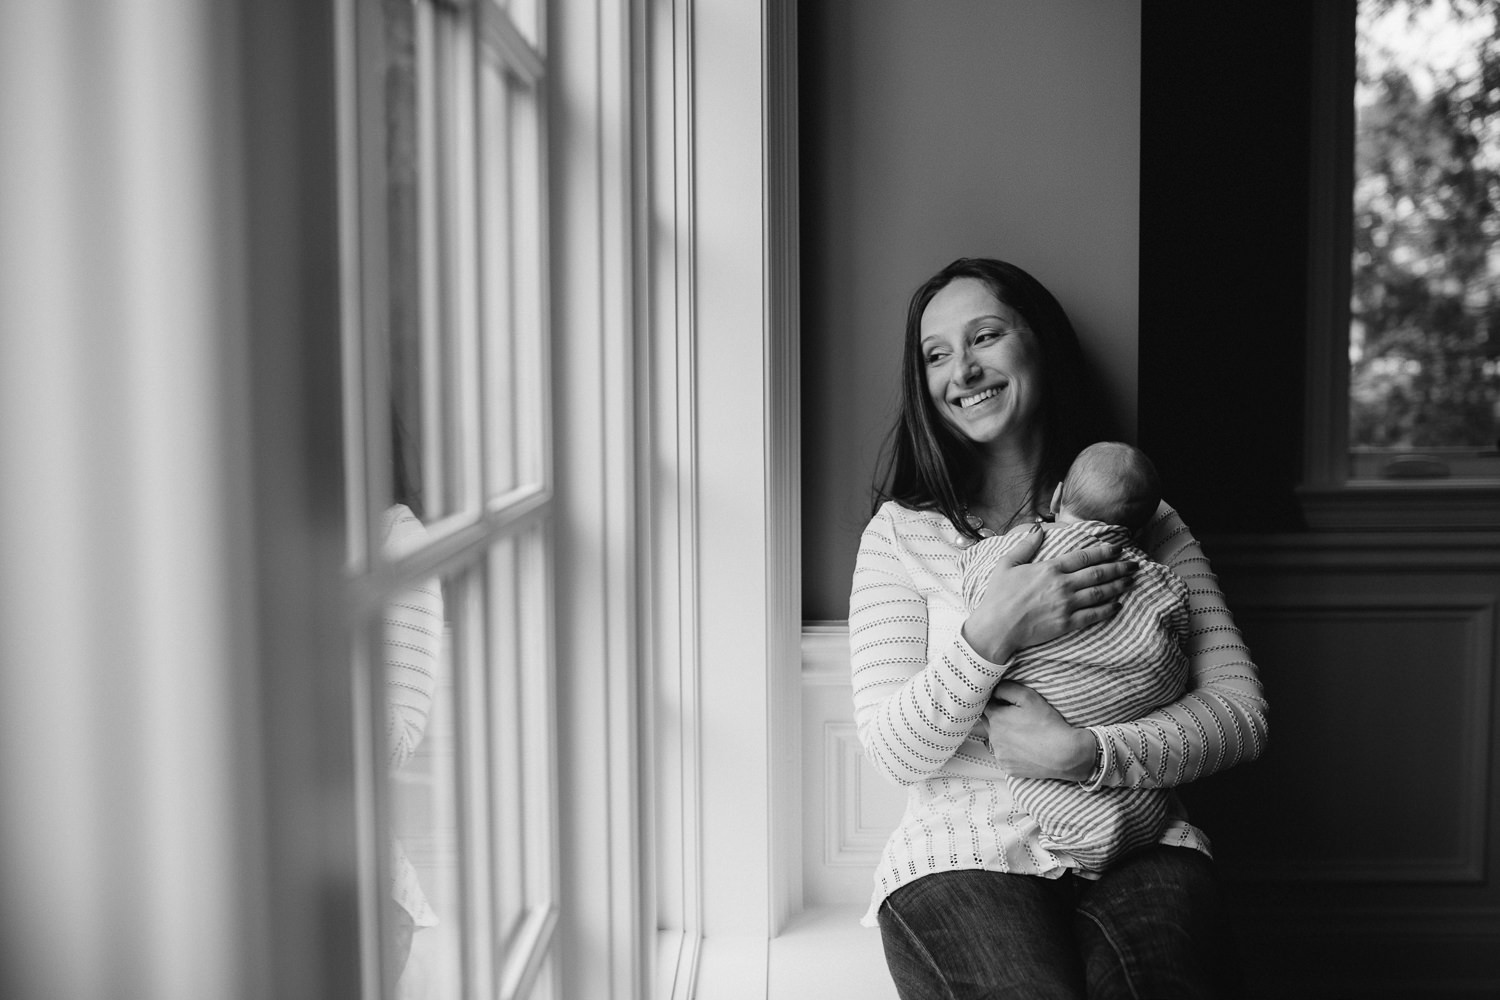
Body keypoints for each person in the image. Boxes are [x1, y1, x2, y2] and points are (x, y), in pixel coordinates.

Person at [851, 257, 1268, 998]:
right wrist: (994, 630)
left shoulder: (1142, 521)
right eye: (937, 354)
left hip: (1136, 838)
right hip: (963, 853)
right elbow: (893, 751)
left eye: (985, 337)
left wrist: (1088, 753)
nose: (963, 369)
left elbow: (1239, 714)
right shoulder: (900, 535)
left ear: (1038, 343)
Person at [959, 441, 1190, 874]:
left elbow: (974, 581)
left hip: (1057, 763)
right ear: (1139, 529)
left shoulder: (1020, 548)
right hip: (1127, 775)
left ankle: (1085, 843)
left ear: (1057, 495)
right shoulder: (1158, 582)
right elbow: (1175, 668)